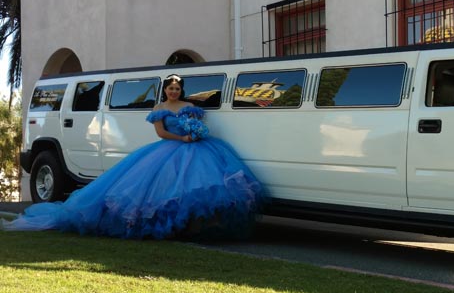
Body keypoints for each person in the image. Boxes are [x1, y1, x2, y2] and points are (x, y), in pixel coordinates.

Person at [2, 74, 267, 239]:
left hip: (198, 149)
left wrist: (196, 134)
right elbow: (161, 134)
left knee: (198, 191)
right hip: (171, 148)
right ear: (165, 90)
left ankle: (198, 227)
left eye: (177, 88)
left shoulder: (191, 107)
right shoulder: (159, 108)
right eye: (170, 88)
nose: (174, 92)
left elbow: (200, 125)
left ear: (181, 90)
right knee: (164, 191)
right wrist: (183, 137)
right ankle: (179, 228)